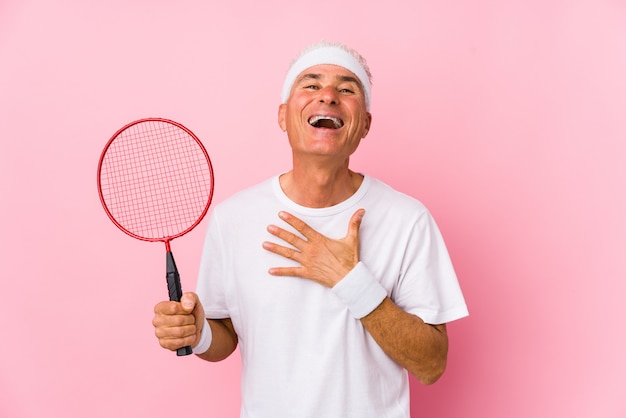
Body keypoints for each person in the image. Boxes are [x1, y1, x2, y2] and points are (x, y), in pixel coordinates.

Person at [152, 41, 468, 417]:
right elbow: (224, 336)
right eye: (311, 84)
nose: (329, 96)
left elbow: (432, 365)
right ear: (283, 116)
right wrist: (198, 331)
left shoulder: (408, 220)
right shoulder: (233, 218)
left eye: (347, 89)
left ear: (365, 123)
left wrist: (350, 280)